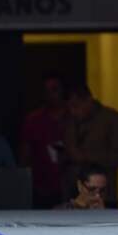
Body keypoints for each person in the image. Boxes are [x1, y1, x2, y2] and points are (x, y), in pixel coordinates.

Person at [64, 84, 118, 208]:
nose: (73, 111)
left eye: (76, 106)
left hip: (104, 193)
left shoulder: (112, 119)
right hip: (73, 194)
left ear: (88, 100)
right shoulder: (70, 120)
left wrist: (85, 156)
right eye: (70, 107)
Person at [19, 73, 68, 209]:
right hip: (41, 189)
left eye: (54, 89)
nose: (51, 94)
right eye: (46, 91)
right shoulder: (33, 120)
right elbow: (25, 155)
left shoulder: (74, 117)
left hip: (72, 187)